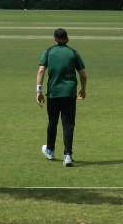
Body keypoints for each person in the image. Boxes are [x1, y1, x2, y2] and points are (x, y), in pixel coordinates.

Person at [36, 28, 87, 167]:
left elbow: (41, 70)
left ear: (55, 38)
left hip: (53, 93)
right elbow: (83, 74)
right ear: (66, 38)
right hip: (69, 94)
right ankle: (68, 155)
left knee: (52, 122)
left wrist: (38, 91)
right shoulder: (73, 52)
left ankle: (50, 151)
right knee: (68, 124)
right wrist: (83, 89)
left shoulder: (49, 51)